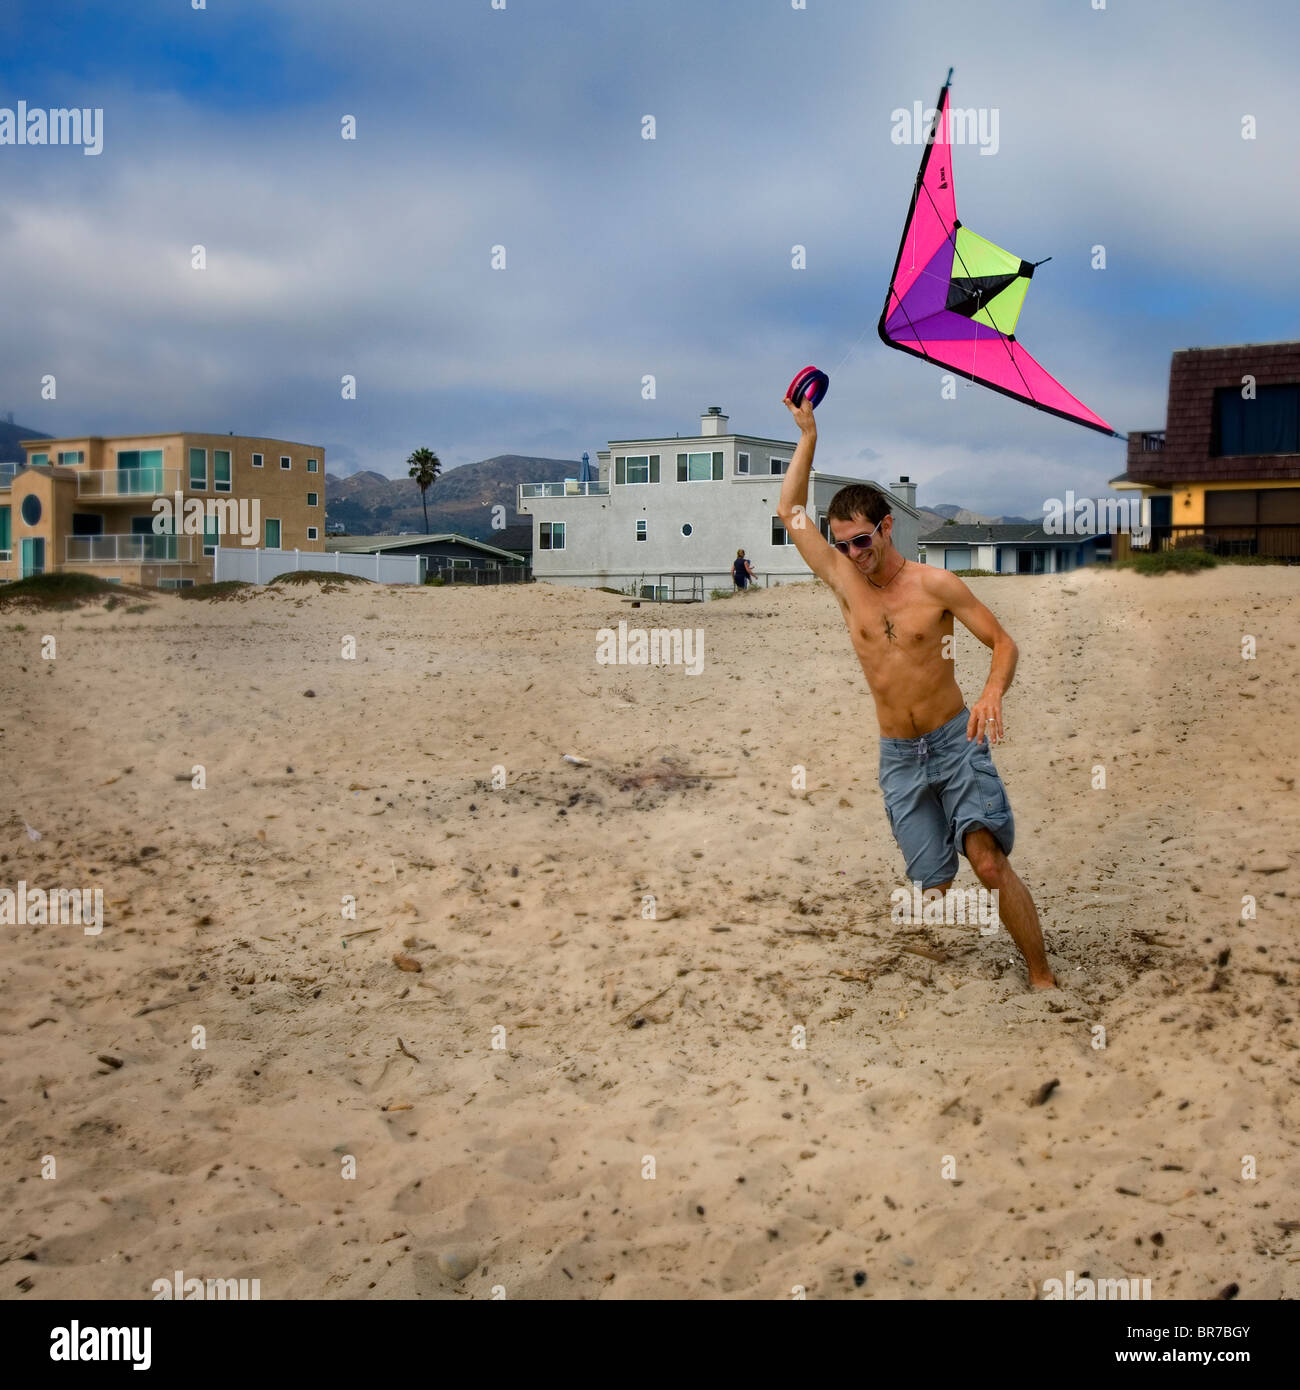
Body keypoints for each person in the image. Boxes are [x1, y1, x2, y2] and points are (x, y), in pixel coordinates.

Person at [776, 390, 1055, 989]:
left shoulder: (937, 585)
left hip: (956, 741)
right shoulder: (843, 580)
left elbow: (1004, 643)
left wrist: (991, 694)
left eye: (863, 540)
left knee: (985, 861)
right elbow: (790, 511)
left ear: (886, 526)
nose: (854, 553)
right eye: (843, 543)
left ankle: (1041, 976)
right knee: (934, 882)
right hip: (899, 755)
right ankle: (946, 857)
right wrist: (808, 437)